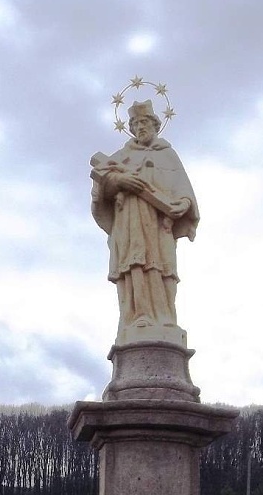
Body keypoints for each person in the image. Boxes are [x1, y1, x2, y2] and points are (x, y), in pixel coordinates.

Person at [91, 100, 199, 341]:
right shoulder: (122, 157)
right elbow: (101, 186)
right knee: (135, 263)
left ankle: (166, 318)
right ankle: (139, 315)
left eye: (144, 122)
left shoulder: (167, 155)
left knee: (164, 267)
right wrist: (119, 182)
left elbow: (182, 187)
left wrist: (184, 203)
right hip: (130, 219)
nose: (140, 127)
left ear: (155, 125)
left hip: (161, 223)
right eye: (136, 124)